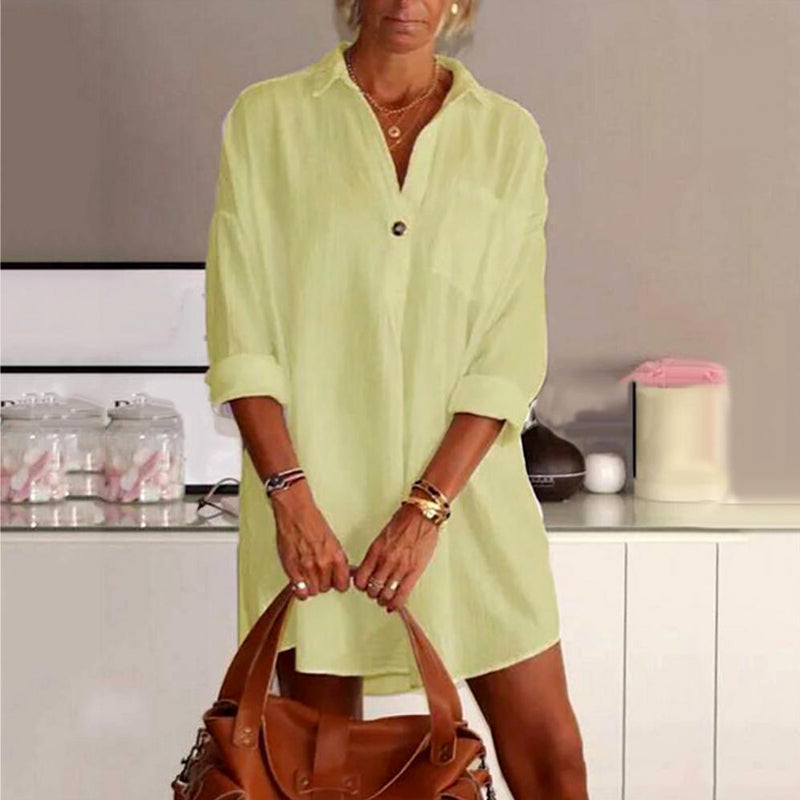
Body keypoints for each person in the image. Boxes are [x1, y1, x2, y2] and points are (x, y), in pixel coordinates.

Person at [203, 1, 588, 796]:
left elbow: (509, 347)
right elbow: (242, 335)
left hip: (465, 500)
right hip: (314, 504)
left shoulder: (507, 135)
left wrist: (426, 508)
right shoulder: (268, 121)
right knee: (323, 774)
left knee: (553, 759)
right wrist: (290, 499)